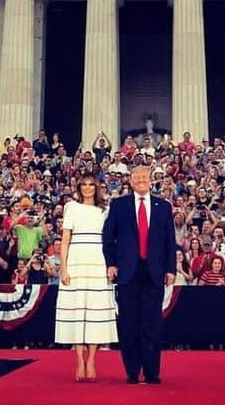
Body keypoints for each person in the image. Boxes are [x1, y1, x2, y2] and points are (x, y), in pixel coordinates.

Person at [102, 165, 177, 386]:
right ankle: (132, 372)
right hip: (126, 272)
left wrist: (171, 268)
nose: (142, 180)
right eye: (138, 177)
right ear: (131, 181)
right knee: (129, 323)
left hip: (154, 272)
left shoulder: (163, 207)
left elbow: (169, 241)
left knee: (152, 324)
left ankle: (152, 372)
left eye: (145, 176)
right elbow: (108, 238)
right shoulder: (118, 205)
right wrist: (111, 264)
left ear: (151, 181)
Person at [56, 173, 118, 383]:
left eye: (92, 184)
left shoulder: (105, 210)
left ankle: (91, 359)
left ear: (97, 187)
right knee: (77, 309)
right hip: (76, 260)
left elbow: (110, 241)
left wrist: (110, 265)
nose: (88, 188)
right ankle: (79, 360)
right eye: (84, 184)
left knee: (95, 311)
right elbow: (65, 241)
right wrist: (63, 268)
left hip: (98, 261)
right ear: (79, 187)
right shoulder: (71, 207)